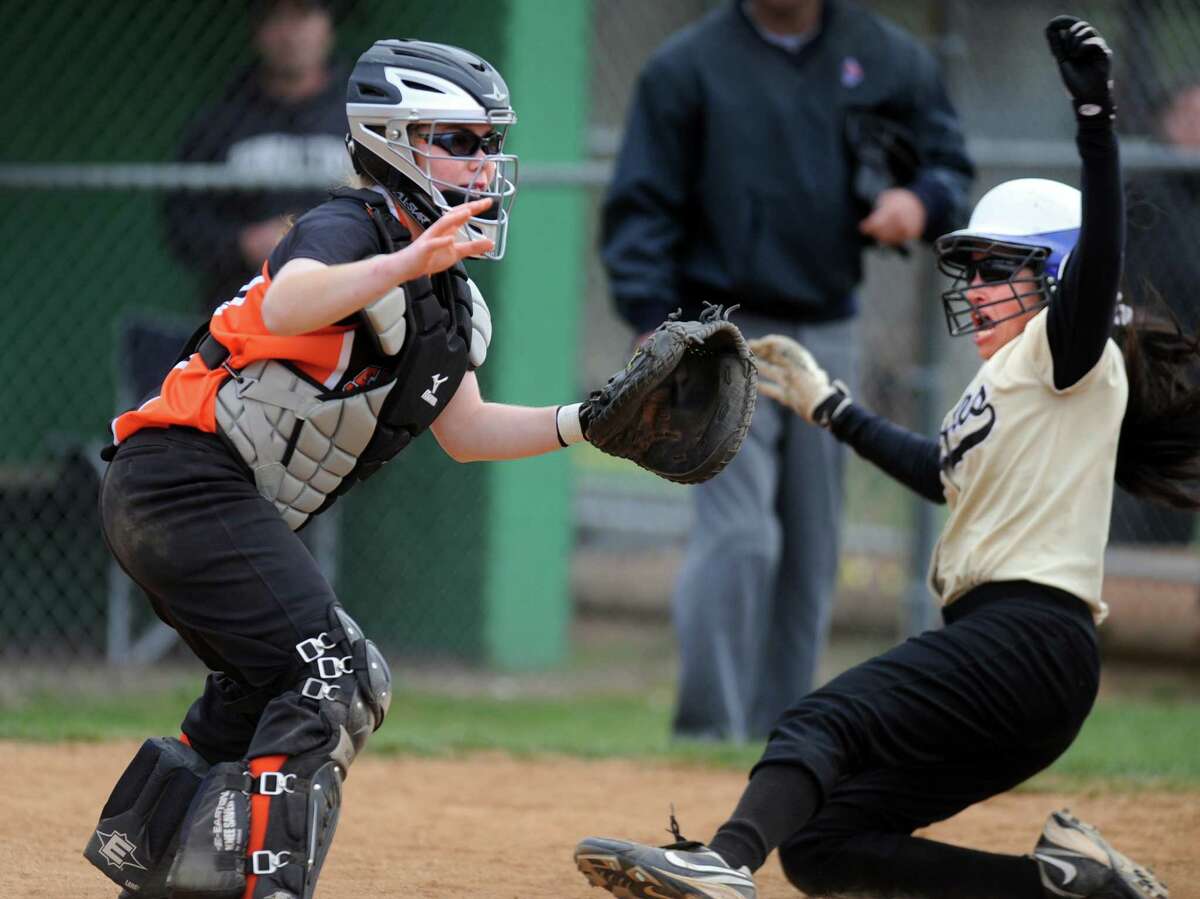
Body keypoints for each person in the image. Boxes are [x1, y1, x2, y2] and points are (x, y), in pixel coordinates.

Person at [576, 16, 1199, 899]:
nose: (974, 288)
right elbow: (941, 472)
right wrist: (831, 406)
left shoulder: (1069, 355)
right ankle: (1065, 888)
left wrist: (1095, 116)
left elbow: (1103, 258)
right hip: (1010, 657)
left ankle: (718, 863)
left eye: (998, 269)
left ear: (1059, 278)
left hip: (1029, 637)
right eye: (970, 269)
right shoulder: (1012, 385)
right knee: (828, 842)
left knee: (818, 717)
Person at [83, 40, 608, 899]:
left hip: (199, 499)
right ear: (394, 141)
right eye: (460, 141)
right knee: (336, 671)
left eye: (488, 144)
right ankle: (264, 886)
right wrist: (406, 260)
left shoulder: (449, 298)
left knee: (269, 685)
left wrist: (591, 423)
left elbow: (467, 431)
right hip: (177, 482)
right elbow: (290, 298)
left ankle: (156, 856)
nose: (485, 163)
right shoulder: (348, 227)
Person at [601, 0, 974, 742]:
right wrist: (650, 316)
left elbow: (946, 162)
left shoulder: (881, 52)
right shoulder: (688, 65)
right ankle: (708, 731)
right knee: (741, 535)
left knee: (811, 546)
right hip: (715, 326)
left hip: (826, 326)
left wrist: (919, 200)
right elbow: (640, 204)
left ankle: (780, 738)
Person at [163, 0, 350, 314]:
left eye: (303, 17)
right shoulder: (221, 122)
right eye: (277, 19)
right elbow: (181, 223)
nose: (290, 35)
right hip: (244, 309)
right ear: (257, 30)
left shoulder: (360, 115)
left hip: (349, 303)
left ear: (328, 24)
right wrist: (243, 243)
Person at [1110, 78, 1200, 545]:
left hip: (1192, 375)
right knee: (1136, 498)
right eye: (1188, 116)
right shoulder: (1144, 192)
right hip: (1148, 366)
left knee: (1175, 506)